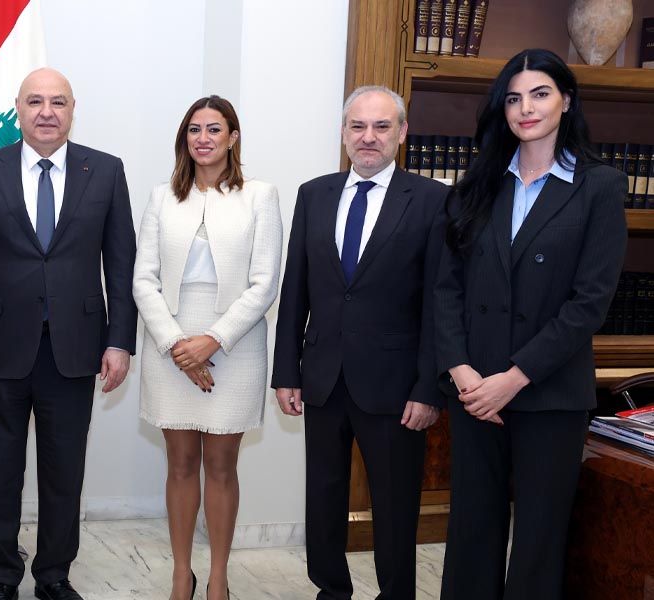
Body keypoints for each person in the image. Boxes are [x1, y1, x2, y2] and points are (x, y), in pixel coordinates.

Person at [436, 48, 627, 600]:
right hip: (474, 392)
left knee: (539, 541)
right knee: (471, 533)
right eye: (514, 98)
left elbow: (589, 303)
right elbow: (445, 289)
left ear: (566, 100)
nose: (526, 108)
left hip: (549, 392)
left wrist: (514, 378)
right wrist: (462, 371)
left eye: (540, 94)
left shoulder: (600, 186)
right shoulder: (476, 186)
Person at [0, 67, 137, 600]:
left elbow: (121, 264)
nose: (47, 112)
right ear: (18, 109)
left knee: (64, 473)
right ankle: (2, 576)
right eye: (35, 101)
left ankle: (53, 575)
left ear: (73, 109)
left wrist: (119, 341)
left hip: (75, 350)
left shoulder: (106, 171)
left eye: (58, 102)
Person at [272, 85, 446, 600]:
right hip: (323, 377)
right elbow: (295, 288)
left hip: (397, 387)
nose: (368, 137)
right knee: (323, 498)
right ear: (344, 132)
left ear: (402, 132)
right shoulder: (314, 194)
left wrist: (428, 388)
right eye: (358, 126)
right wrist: (287, 371)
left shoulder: (433, 200)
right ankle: (331, 591)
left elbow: (439, 302)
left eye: (381, 126)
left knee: (395, 505)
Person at [133, 95, 282, 600]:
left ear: (233, 137)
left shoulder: (259, 196)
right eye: (194, 130)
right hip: (169, 342)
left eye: (214, 129)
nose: (203, 138)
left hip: (234, 346)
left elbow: (264, 283)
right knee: (179, 464)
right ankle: (182, 574)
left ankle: (218, 577)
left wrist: (213, 340)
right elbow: (143, 279)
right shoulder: (162, 197)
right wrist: (179, 345)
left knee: (221, 465)